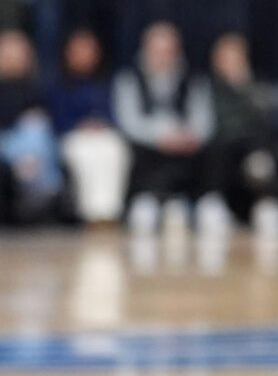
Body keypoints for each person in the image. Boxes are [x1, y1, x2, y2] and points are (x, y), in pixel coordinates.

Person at [112, 20, 214, 237]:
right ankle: (145, 201)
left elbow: (204, 122)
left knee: (213, 150)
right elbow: (129, 123)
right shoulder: (129, 79)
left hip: (186, 146)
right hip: (149, 147)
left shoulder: (194, 80)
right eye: (157, 51)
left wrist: (188, 136)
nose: (163, 57)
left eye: (168, 51)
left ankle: (194, 202)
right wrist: (161, 136)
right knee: (133, 150)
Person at [203, 31, 278, 238]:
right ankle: (215, 203)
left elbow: (265, 116)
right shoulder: (208, 88)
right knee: (219, 147)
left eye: (236, 57)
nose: (232, 63)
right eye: (226, 58)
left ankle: (267, 204)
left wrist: (242, 85)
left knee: (261, 154)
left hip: (253, 145)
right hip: (222, 147)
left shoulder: (256, 86)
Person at [51, 28, 126, 224]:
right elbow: (58, 120)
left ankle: (109, 213)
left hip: (103, 133)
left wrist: (101, 124)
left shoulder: (107, 82)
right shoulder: (58, 84)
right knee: (85, 154)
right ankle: (90, 213)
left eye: (89, 50)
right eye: (79, 50)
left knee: (112, 150)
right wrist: (80, 126)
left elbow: (116, 115)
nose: (84, 56)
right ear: (68, 53)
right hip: (73, 135)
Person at [0, 30, 61, 224]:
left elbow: (49, 118)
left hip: (29, 145)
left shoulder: (38, 85)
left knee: (36, 129)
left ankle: (37, 187)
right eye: (8, 53)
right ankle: (35, 185)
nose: (13, 58)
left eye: (18, 53)